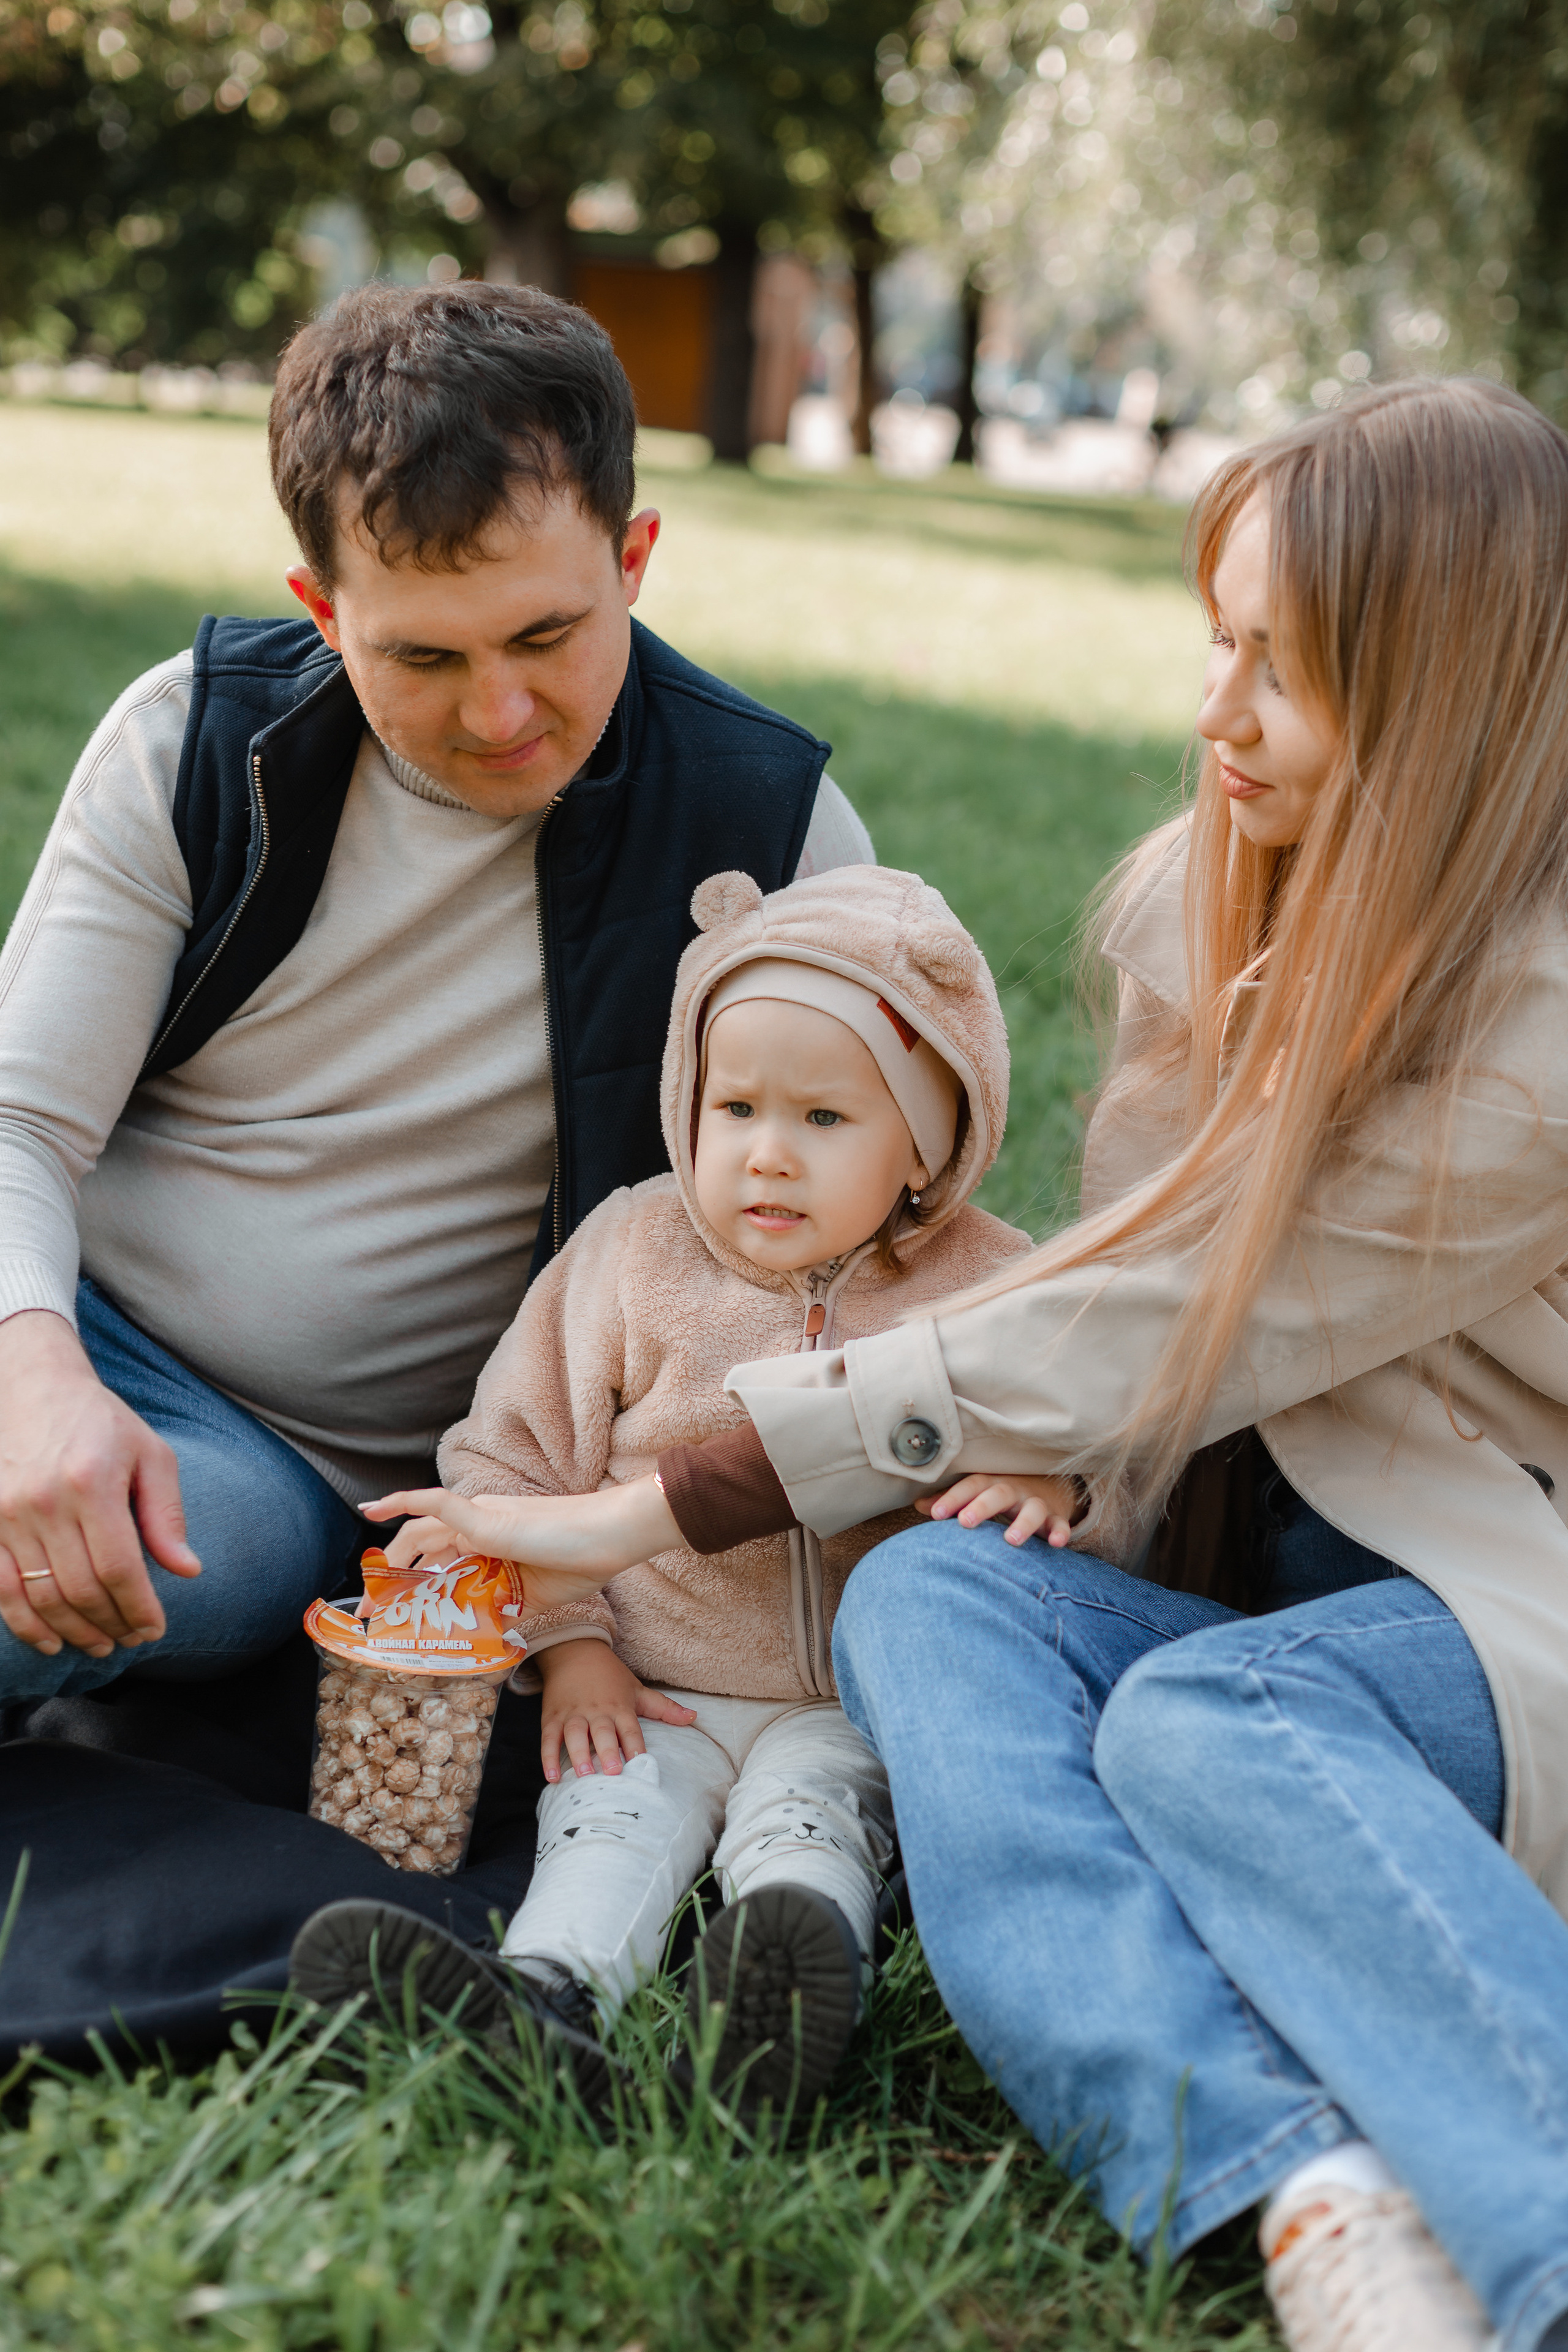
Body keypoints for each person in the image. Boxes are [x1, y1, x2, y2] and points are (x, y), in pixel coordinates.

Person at [321, 381, 1568, 2351]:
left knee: (1212, 1721)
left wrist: (652, 1504)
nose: (1219, 711)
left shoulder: (1544, 1016)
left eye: (1288, 667)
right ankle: (1309, 2200)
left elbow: (1178, 1309)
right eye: (1219, 641)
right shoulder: (1211, 894)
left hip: (1485, 1602)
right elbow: (1122, 1329)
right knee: (929, 1600)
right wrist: (1068, 1467)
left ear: (1449, 690)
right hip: (1248, 1577)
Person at [0, 279, 873, 1704]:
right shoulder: (197, 743)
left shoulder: (768, 836)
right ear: (321, 609)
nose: (497, 714)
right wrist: (32, 1380)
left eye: (545, 637)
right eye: (422, 654)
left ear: (634, 559)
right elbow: (17, 1123)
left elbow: (881, 1222)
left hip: (277, 1467)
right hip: (45, 1310)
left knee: (83, 1568)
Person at [288, 863, 1068, 2103]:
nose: (768, 1156)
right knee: (610, 1815)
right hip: (654, 1681)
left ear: (927, 1146)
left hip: (855, 1699)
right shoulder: (633, 1252)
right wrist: (572, 1648)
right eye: (735, 1106)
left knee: (812, 1822)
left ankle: (784, 1992)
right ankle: (546, 1996)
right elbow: (511, 1463)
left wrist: (1054, 1484)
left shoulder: (991, 1285)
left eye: (825, 1120)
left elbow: (1096, 1441)